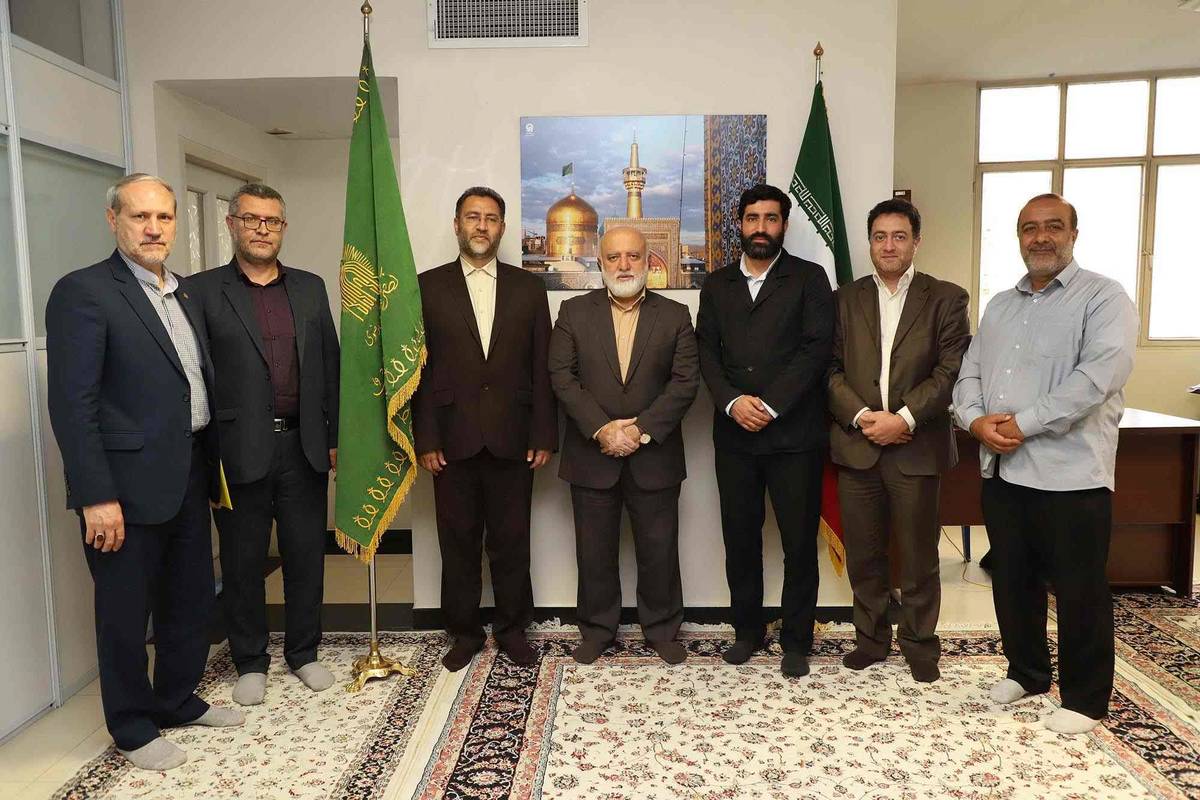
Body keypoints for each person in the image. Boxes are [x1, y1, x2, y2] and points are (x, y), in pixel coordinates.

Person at [45, 174, 244, 771]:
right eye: (140, 217)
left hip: (188, 474)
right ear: (114, 221)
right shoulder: (84, 292)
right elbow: (73, 405)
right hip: (123, 490)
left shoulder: (182, 293)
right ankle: (132, 726)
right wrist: (95, 495)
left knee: (189, 599)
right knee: (125, 612)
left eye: (164, 217)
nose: (154, 229)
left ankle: (176, 699)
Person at [953, 193, 1137, 734]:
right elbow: (970, 371)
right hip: (1004, 470)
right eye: (1029, 228)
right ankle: (1027, 672)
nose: (1040, 238)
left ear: (1073, 234)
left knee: (1079, 589)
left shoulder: (1104, 298)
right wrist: (975, 421)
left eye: (1053, 226)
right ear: (1019, 237)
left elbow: (1097, 379)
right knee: (1013, 580)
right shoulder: (1000, 306)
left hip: (1070, 474)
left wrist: (1023, 423)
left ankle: (1085, 700)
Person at [185, 183, 340, 706]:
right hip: (236, 450)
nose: (262, 229)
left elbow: (331, 365)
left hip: (303, 446)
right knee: (242, 561)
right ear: (232, 224)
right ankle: (250, 660)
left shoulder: (311, 288)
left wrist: (334, 437)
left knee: (306, 557)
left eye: (272, 221)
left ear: (283, 229)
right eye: (251, 219)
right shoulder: (202, 292)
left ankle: (304, 652)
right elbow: (195, 375)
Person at [412, 186, 557, 671]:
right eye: (472, 217)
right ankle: (464, 632)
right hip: (450, 440)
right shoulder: (426, 287)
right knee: (457, 542)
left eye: (491, 218)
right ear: (457, 225)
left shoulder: (529, 288)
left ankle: (513, 630)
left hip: (514, 438)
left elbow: (541, 364)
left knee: (512, 542)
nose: (481, 225)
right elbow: (419, 371)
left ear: (502, 228)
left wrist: (542, 433)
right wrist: (426, 437)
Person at [828, 199, 970, 682]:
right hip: (858, 445)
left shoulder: (946, 298)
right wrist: (863, 416)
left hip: (916, 448)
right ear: (870, 243)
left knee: (919, 556)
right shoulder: (844, 299)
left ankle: (919, 644)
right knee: (865, 555)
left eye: (899, 236)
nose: (888, 246)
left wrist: (904, 418)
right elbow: (829, 369)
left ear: (916, 242)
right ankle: (870, 641)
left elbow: (950, 370)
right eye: (879, 237)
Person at [695, 183, 834, 677]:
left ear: (784, 225)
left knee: (798, 543)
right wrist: (733, 402)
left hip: (794, 437)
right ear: (739, 223)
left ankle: (797, 640)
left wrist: (771, 405)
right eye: (752, 218)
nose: (761, 227)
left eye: (770, 219)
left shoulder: (809, 278)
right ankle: (747, 632)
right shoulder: (716, 284)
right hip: (735, 436)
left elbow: (816, 350)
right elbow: (705, 351)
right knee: (740, 539)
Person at [549, 227, 700, 665]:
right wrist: (602, 429)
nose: (624, 265)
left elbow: (685, 382)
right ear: (600, 263)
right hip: (591, 455)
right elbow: (562, 376)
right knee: (593, 552)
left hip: (654, 456)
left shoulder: (675, 315)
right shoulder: (573, 312)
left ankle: (662, 629)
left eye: (633, 256)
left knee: (659, 550)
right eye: (614, 257)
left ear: (648, 261)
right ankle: (597, 630)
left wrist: (639, 431)